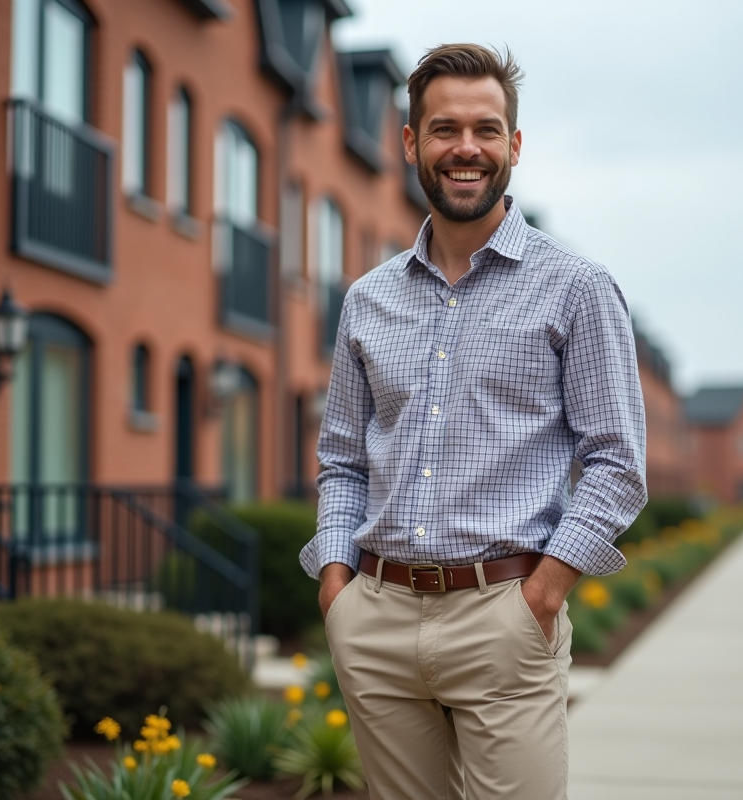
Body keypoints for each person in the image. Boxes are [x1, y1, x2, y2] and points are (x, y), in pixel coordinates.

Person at [299, 43, 647, 800]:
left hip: (506, 616)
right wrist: (337, 588)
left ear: (514, 145)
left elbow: (617, 463)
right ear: (410, 143)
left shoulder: (577, 288)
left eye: (486, 130)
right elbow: (343, 460)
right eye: (445, 129)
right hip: (376, 618)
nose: (467, 148)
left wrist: (544, 594)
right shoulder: (367, 300)